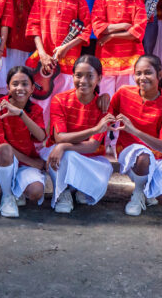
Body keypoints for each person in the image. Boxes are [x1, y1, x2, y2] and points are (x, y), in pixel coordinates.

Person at [108, 55, 162, 217]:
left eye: (148, 73)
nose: (142, 78)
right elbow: (107, 116)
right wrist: (103, 100)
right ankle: (138, 193)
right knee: (143, 156)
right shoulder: (123, 93)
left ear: (159, 75)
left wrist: (134, 130)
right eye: (138, 73)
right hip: (131, 153)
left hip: (160, 157)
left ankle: (149, 188)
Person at [42, 56, 114, 213]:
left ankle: (78, 186)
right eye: (78, 75)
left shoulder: (103, 106)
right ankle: (63, 192)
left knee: (104, 167)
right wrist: (94, 130)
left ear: (99, 78)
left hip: (90, 157)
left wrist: (64, 146)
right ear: (72, 76)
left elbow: (93, 145)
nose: (83, 80)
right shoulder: (60, 100)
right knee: (66, 155)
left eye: (90, 75)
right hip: (60, 155)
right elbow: (59, 136)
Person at [27, 0, 92, 104]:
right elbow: (33, 26)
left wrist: (66, 47)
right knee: (40, 102)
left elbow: (86, 30)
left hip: (68, 63)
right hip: (43, 63)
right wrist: (42, 54)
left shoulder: (79, 2)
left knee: (62, 102)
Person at [0, 66, 48, 218]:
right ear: (7, 87)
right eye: (15, 84)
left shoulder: (35, 110)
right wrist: (33, 163)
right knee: (5, 149)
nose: (20, 88)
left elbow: (41, 137)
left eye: (25, 84)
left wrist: (21, 114)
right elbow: (0, 146)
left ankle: (16, 190)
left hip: (23, 166)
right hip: (0, 163)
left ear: (32, 88)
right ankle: (7, 196)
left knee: (36, 191)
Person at [92, 0, 147, 96]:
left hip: (131, 60)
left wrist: (111, 35)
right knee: (106, 98)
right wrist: (122, 26)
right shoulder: (101, 0)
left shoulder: (137, 3)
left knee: (127, 99)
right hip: (106, 59)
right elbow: (97, 26)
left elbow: (137, 32)